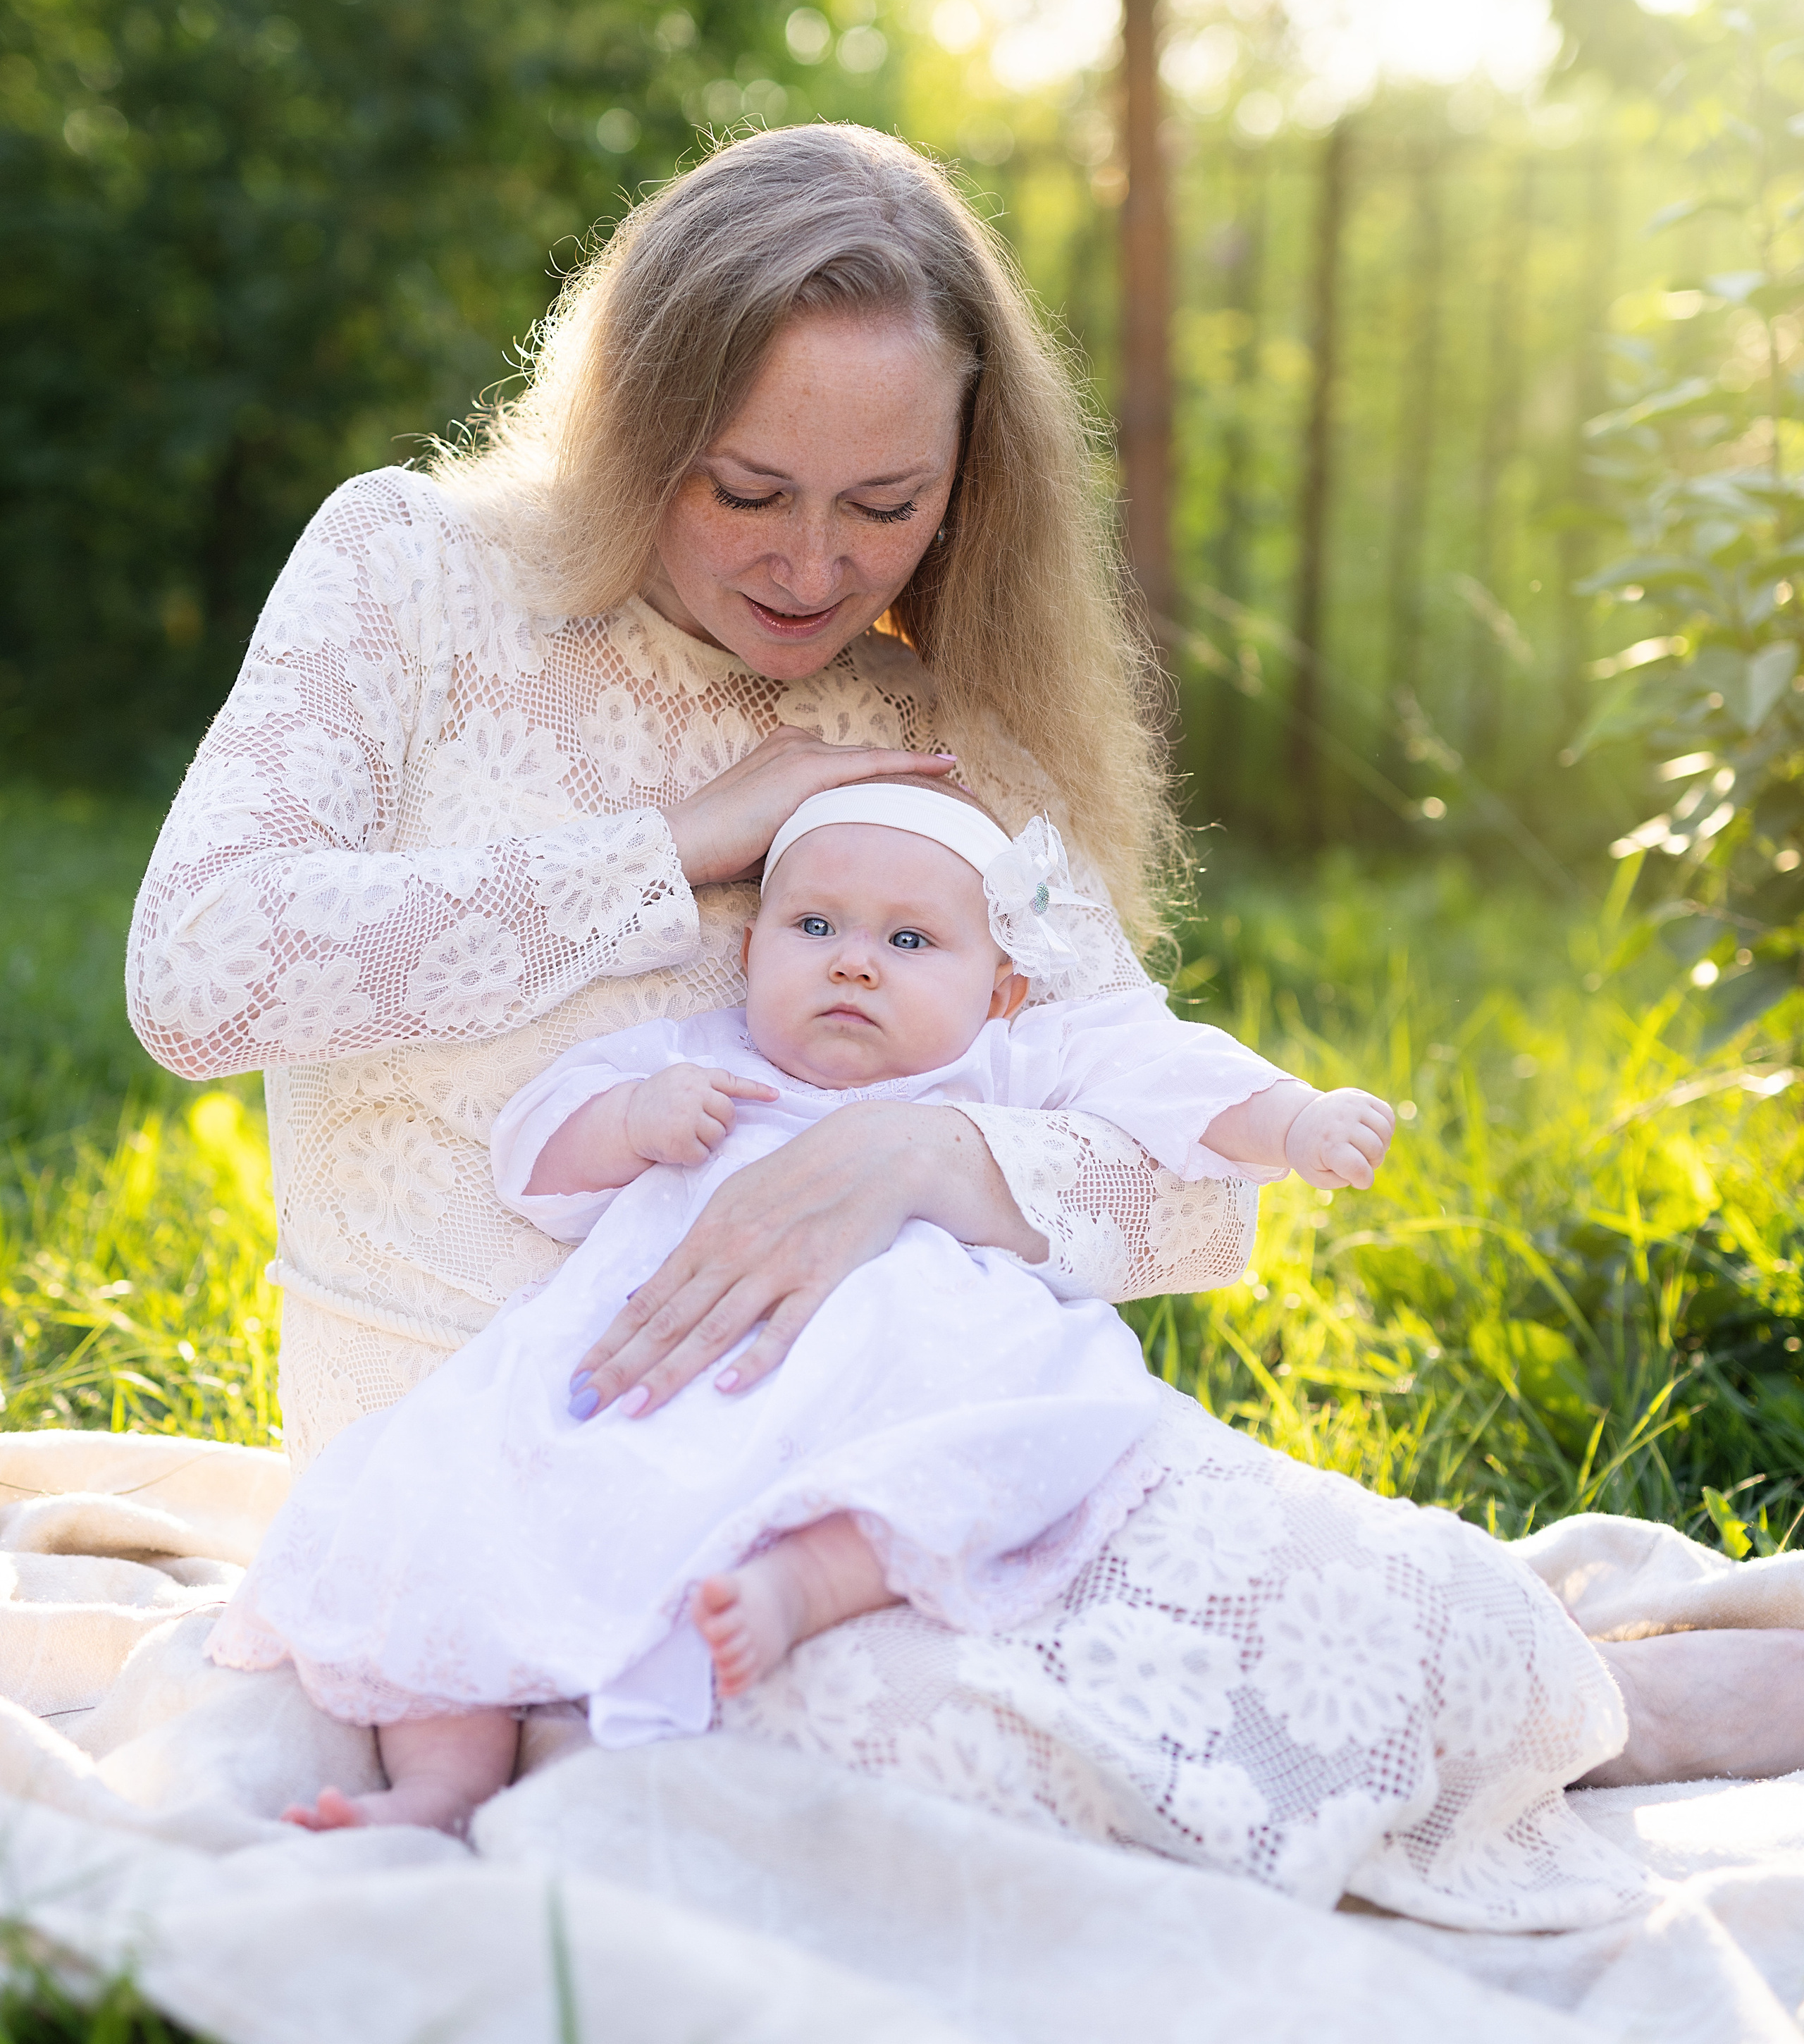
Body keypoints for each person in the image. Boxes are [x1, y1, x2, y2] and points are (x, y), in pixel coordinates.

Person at [129, 123, 1804, 1935]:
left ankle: (1580, 1696)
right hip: (485, 1486)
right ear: (630, 424)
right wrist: (675, 847)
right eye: (744, 487)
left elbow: (1172, 1178)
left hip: (866, 1462)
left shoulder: (927, 719)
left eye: (884, 502)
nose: (810, 564)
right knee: (937, 1762)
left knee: (1308, 1599)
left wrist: (926, 1152)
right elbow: (199, 973)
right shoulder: (415, 573)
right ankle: (1530, 1703)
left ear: (964, 480)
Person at [210, 778, 1395, 1836]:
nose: (854, 961)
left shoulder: (996, 1062)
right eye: (814, 925)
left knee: (961, 1452)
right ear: (754, 948)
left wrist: (1292, 1120)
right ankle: (442, 1780)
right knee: (457, 1509)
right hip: (664, 1373)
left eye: (911, 939)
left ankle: (797, 1587)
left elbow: (1167, 1074)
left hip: (895, 1362)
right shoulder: (702, 1057)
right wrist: (631, 1121)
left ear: (1002, 988)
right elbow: (534, 1151)